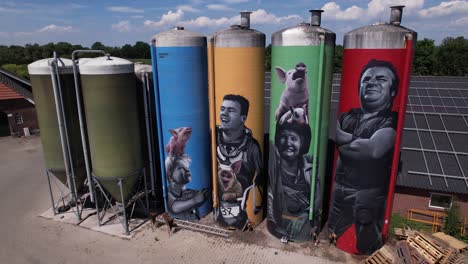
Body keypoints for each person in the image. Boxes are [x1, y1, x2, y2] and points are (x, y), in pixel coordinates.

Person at [328, 59, 399, 254]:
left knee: (366, 243)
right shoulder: (348, 115)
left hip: (368, 194)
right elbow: (340, 138)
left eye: (381, 79)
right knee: (333, 232)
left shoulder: (391, 119)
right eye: (366, 79)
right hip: (340, 188)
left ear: (392, 91)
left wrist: (347, 141)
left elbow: (373, 150)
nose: (372, 82)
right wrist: (358, 142)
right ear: (360, 87)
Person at [215, 94, 263, 228]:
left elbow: (261, 179)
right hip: (218, 210)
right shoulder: (212, 138)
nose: (224, 114)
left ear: (243, 118)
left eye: (231, 110)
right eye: (222, 109)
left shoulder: (252, 147)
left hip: (242, 213)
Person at [267, 122, 321, 241]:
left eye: (293, 138)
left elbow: (317, 198)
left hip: (304, 222)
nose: (288, 143)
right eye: (284, 137)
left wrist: (306, 214)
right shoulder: (274, 165)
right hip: (279, 222)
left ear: (302, 143)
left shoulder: (310, 169)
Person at [166, 156, 209, 220]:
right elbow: (174, 207)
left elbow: (201, 196)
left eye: (187, 167)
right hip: (178, 220)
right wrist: (195, 200)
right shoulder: (171, 190)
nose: (187, 169)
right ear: (170, 175)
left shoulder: (189, 191)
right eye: (181, 168)